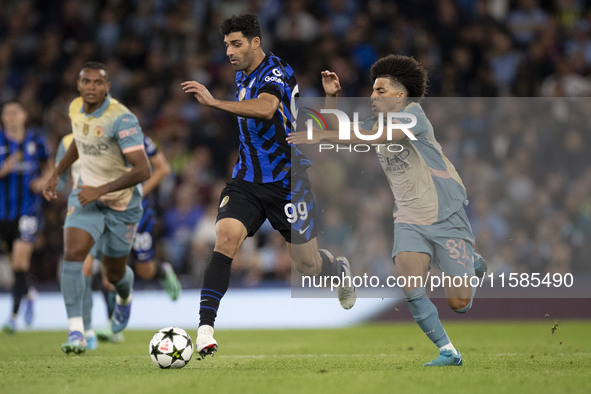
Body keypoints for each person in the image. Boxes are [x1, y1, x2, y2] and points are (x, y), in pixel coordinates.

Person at [287, 54, 487, 366]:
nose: (372, 96)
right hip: (408, 216)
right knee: (411, 285)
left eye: (380, 91)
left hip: (445, 214)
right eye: (372, 90)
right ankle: (448, 351)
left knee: (459, 303)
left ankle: (470, 260)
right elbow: (339, 134)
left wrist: (326, 133)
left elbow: (375, 136)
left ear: (400, 94)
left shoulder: (413, 117)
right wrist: (331, 97)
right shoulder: (375, 123)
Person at [181, 14, 356, 359]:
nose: (229, 51)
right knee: (226, 237)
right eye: (226, 45)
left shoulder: (276, 71)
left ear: (255, 42)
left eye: (236, 44)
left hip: (288, 183)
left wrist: (215, 103)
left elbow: (266, 108)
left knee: (307, 267)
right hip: (247, 180)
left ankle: (337, 269)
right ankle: (204, 330)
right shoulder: (242, 74)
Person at [43, 61, 151, 354]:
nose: (91, 87)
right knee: (73, 255)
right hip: (86, 198)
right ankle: (77, 330)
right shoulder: (75, 108)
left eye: (97, 83)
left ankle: (125, 299)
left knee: (115, 273)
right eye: (86, 82)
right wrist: (56, 173)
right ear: (78, 85)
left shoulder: (122, 119)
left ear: (107, 87)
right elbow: (79, 141)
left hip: (122, 204)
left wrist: (99, 190)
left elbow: (144, 170)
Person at [54, 134, 180, 349]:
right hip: (107, 212)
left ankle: (161, 270)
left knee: (145, 270)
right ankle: (112, 327)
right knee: (108, 275)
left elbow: (163, 169)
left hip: (137, 214)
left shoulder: (134, 137)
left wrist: (138, 193)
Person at [0, 101, 52, 334]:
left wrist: (43, 181)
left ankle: (13, 316)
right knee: (15, 267)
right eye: (6, 113)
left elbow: (50, 165)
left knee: (21, 262)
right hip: (3, 214)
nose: (11, 117)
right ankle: (29, 293)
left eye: (15, 112)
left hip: (28, 211)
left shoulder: (37, 141)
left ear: (24, 115)